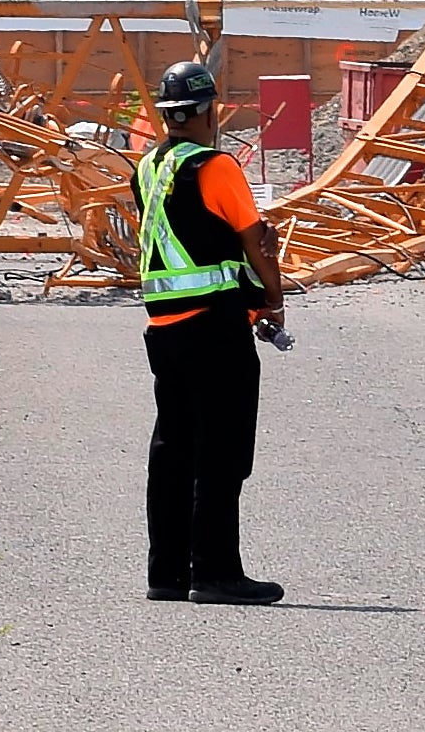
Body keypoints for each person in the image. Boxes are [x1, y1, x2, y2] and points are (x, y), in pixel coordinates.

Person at [136, 59, 287, 604]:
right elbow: (254, 241)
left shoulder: (149, 168)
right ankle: (216, 572)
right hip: (214, 328)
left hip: (165, 326)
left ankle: (168, 572)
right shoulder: (215, 166)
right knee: (222, 450)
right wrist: (273, 297)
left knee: (173, 448)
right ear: (210, 110)